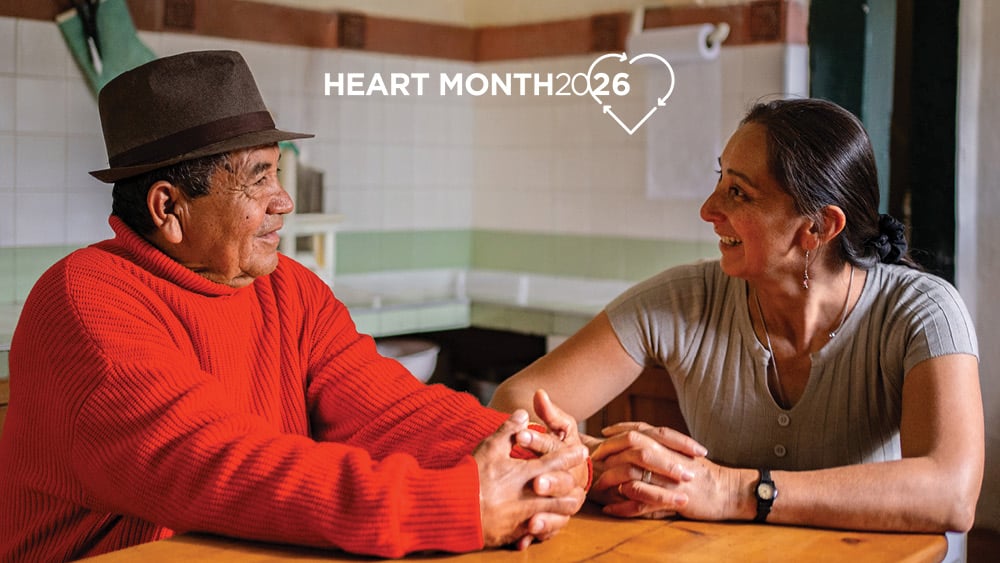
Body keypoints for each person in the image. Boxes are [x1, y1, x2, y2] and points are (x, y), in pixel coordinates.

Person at [0, 50, 591, 562]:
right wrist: (455, 504)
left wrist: (544, 453)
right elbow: (218, 466)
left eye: (277, 172)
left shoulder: (289, 290)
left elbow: (390, 412)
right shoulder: (85, 302)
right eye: (258, 180)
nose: (283, 200)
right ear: (167, 208)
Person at [490, 99, 983, 538]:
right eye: (719, 181)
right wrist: (599, 466)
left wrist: (731, 492)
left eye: (739, 193)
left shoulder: (925, 311)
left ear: (818, 227)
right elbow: (513, 402)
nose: (709, 209)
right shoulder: (684, 298)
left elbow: (952, 493)